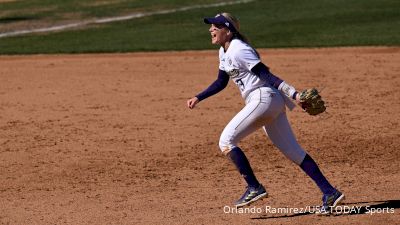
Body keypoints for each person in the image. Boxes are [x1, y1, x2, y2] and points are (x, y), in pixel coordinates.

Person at [186, 12, 344, 212]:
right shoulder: (223, 51)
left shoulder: (239, 49)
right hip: (268, 102)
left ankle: (254, 187)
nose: (211, 30)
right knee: (293, 151)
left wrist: (295, 95)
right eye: (211, 26)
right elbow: (221, 81)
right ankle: (330, 192)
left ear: (228, 30)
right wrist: (199, 96)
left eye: (215, 27)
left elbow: (266, 74)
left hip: (263, 99)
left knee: (226, 141)